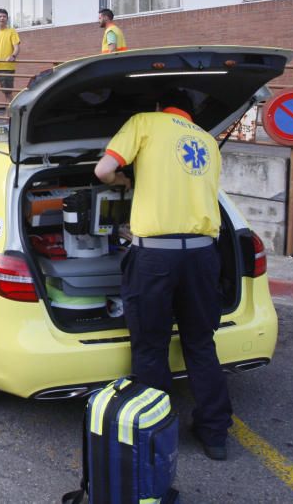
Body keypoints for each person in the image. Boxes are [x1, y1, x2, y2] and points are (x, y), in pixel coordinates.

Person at [93, 89, 232, 462]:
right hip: (203, 255)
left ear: (157, 105)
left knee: (151, 346)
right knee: (201, 344)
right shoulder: (207, 140)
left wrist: (122, 184)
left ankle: (153, 434)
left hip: (155, 259)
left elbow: (102, 169)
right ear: (189, 112)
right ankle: (215, 434)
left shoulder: (144, 123)